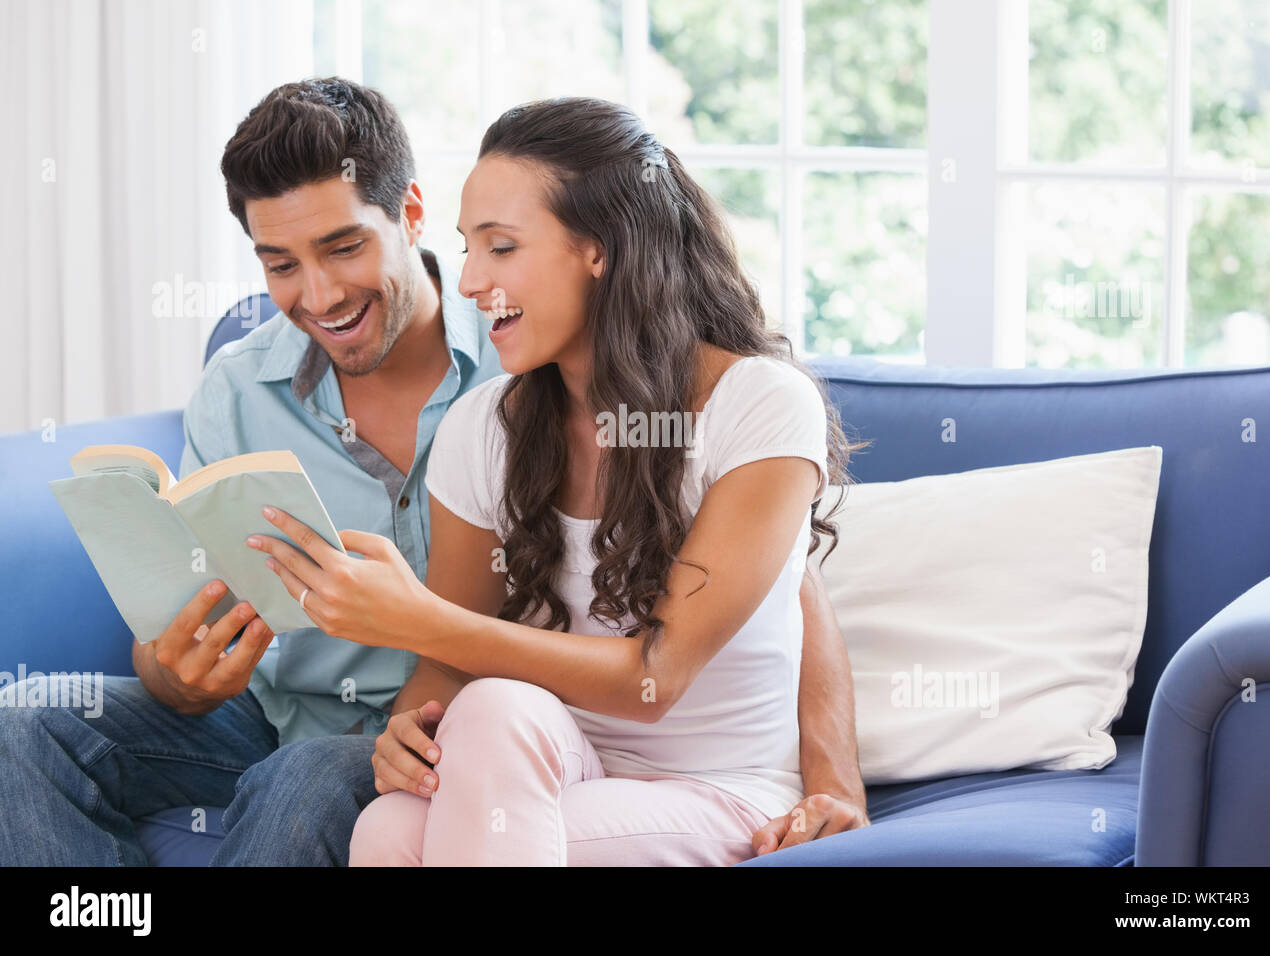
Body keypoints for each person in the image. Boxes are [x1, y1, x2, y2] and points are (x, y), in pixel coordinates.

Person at [0, 80, 865, 866]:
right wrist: (173, 675)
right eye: (279, 265)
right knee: (24, 723)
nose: (319, 295)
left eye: (342, 247)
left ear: (407, 212)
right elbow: (191, 609)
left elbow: (782, 581)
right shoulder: (252, 390)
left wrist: (835, 776)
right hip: (313, 716)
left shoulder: (522, 358)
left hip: (447, 733)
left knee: (333, 780)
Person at [246, 96, 867, 866]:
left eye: (500, 248)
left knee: (414, 835)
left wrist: (407, 619)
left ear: (598, 249)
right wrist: (409, 727)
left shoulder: (759, 405)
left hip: (720, 788)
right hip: (562, 762)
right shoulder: (483, 430)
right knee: (421, 783)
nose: (469, 282)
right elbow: (451, 663)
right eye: (467, 247)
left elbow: (657, 676)